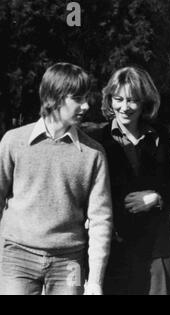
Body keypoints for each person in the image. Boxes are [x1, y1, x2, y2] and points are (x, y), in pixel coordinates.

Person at [0, 62, 113, 295]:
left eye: (87, 98)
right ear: (54, 98)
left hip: (70, 261)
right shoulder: (13, 141)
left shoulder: (94, 153)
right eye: (78, 99)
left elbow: (101, 219)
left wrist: (95, 280)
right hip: (17, 256)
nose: (86, 105)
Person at [92, 66, 170, 295]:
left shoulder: (167, 136)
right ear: (109, 99)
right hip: (116, 246)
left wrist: (157, 198)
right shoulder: (95, 140)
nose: (124, 108)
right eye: (118, 99)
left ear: (145, 102)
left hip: (157, 245)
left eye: (133, 100)